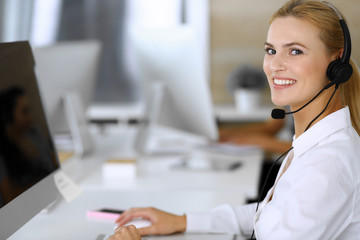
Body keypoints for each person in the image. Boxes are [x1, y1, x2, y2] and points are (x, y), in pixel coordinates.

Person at [108, 0, 360, 239]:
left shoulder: (329, 163)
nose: (275, 65)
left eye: (295, 51)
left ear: (336, 64)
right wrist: (183, 221)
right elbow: (268, 215)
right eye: (271, 50)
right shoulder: (313, 144)